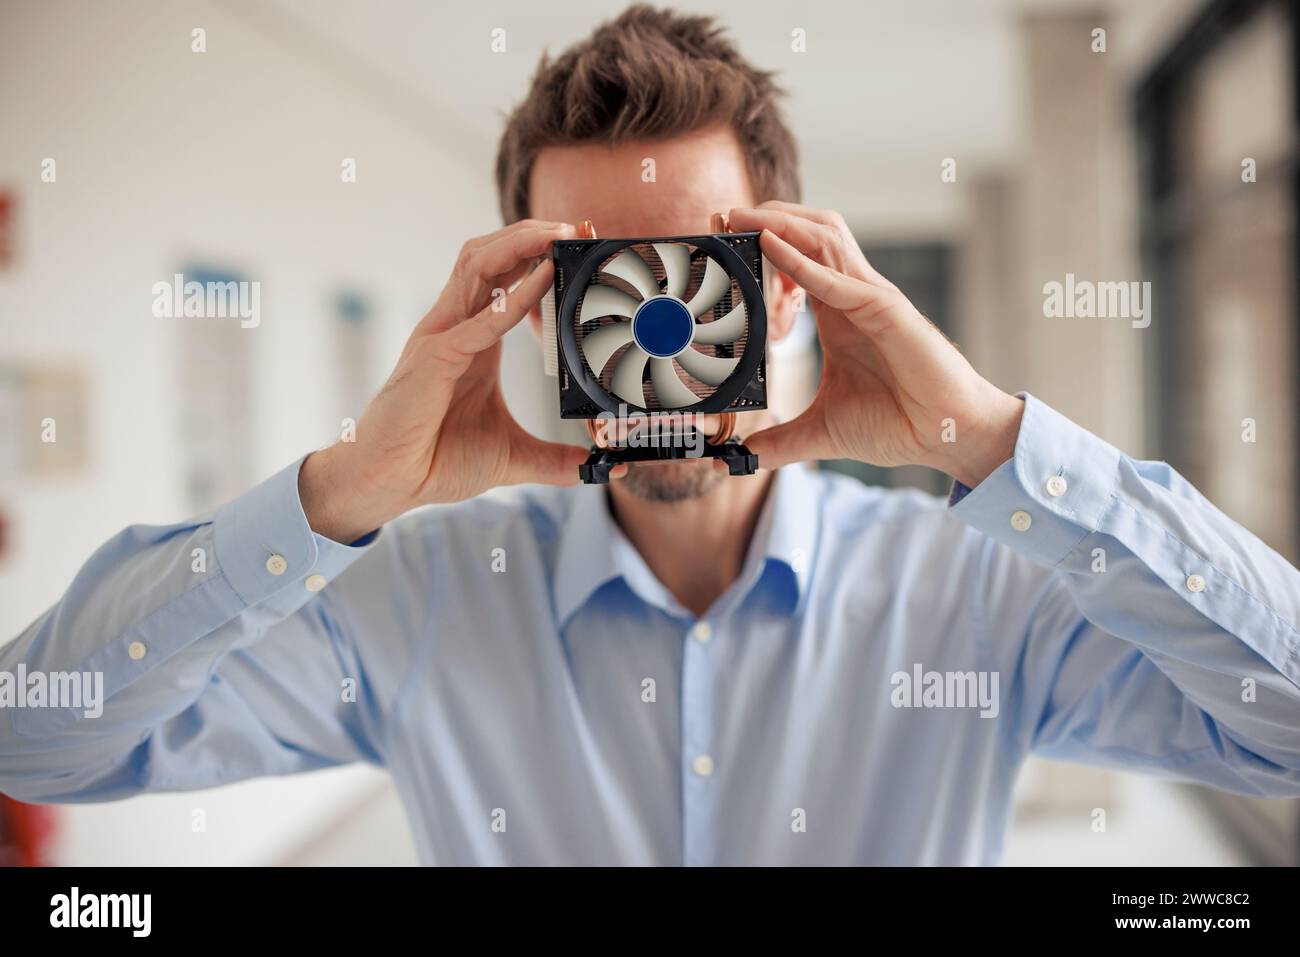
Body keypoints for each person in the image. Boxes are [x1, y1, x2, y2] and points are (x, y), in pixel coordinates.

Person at [2, 5, 1298, 866]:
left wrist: (994, 442)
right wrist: (338, 492)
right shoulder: (417, 594)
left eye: (704, 266)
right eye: (606, 278)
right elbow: (39, 737)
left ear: (784, 281)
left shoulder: (972, 590)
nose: (664, 324)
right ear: (523, 305)